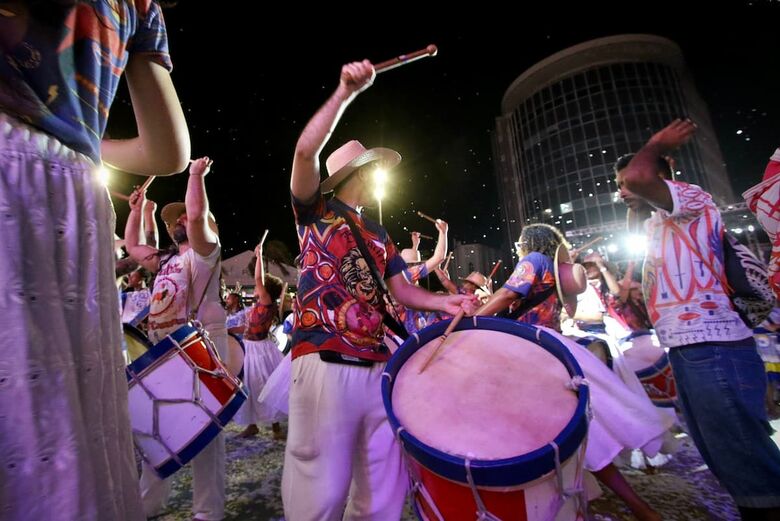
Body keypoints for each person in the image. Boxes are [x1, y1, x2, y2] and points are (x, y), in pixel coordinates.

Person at [0, 2, 189, 519]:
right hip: (73, 191)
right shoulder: (140, 4)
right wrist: (77, 136)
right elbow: (170, 150)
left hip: (16, 178)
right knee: (66, 435)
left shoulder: (199, 253)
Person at [284, 59, 477, 520]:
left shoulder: (379, 231)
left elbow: (403, 292)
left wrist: (446, 299)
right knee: (322, 489)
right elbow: (303, 154)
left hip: (377, 364)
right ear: (359, 173)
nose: (376, 178)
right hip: (324, 357)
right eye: (370, 170)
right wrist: (345, 92)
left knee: (383, 485)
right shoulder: (314, 209)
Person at [615, 119, 780, 520]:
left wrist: (655, 144)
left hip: (716, 347)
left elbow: (640, 178)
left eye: (624, 183)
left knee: (746, 457)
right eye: (617, 185)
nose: (622, 191)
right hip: (691, 349)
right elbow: (632, 270)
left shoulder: (691, 200)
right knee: (724, 454)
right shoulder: (658, 223)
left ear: (661, 176)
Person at [477, 223, 670, 521]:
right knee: (579, 432)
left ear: (531, 242)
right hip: (551, 347)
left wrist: (473, 319)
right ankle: (636, 507)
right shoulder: (551, 270)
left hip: (529, 352)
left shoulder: (533, 261)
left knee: (541, 431)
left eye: (520, 242)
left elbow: (506, 295)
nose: (518, 246)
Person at [125, 157, 226, 521]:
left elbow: (198, 217)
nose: (177, 223)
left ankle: (207, 512)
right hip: (164, 350)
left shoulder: (206, 252)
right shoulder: (166, 260)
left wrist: (195, 176)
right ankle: (147, 503)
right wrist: (137, 210)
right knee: (156, 426)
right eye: (171, 222)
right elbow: (133, 246)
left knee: (205, 431)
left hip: (200, 345)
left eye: (180, 216)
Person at [233, 241, 285, 439]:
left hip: (261, 351)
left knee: (266, 385)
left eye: (260, 286)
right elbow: (248, 329)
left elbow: (258, 278)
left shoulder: (267, 302)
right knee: (249, 386)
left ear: (266, 289)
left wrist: (259, 256)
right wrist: (227, 330)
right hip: (249, 348)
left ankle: (276, 427)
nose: (256, 287)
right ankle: (252, 425)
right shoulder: (257, 307)